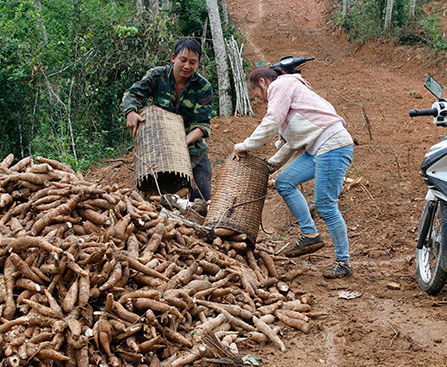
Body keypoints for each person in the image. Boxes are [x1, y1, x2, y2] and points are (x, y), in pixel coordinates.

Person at [233, 67, 354, 278]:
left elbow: (270, 122)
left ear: (262, 82)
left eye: (257, 94)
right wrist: (269, 166)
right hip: (318, 148)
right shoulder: (289, 94)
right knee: (285, 181)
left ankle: (343, 262)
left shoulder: (281, 85)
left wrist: (245, 145)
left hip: (333, 146)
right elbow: (291, 144)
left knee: (325, 204)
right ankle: (310, 234)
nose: (260, 100)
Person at [121, 38, 213, 204]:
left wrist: (182, 144)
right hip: (160, 150)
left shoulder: (203, 87)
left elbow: (203, 125)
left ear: (198, 64)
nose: (187, 66)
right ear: (173, 58)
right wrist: (130, 112)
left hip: (193, 150)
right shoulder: (157, 76)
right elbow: (133, 95)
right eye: (183, 60)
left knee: (202, 202)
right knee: (158, 199)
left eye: (193, 62)